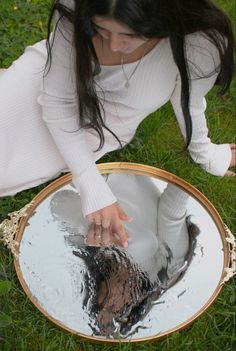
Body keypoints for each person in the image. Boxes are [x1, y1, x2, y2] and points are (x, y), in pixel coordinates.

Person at [0, 0, 235, 248]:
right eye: (100, 29)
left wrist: (205, 152)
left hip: (99, 125)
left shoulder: (199, 42)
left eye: (129, 35)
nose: (113, 45)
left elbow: (190, 103)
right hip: (51, 80)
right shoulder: (74, 5)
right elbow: (57, 101)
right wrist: (92, 186)